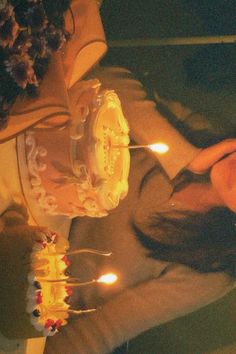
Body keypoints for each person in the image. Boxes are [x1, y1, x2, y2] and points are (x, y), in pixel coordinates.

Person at [43, 66, 236, 354]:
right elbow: (106, 82)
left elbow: (98, 333)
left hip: (30, 279)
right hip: (31, 187)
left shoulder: (210, 272)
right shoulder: (199, 134)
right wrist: (187, 157)